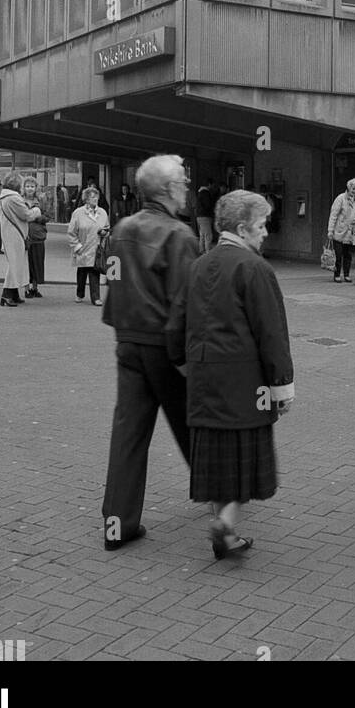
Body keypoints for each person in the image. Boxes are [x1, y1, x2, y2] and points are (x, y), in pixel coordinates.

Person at [166, 190, 294, 559]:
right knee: (244, 458)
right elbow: (271, 332)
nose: (265, 232)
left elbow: (175, 326)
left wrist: (184, 364)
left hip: (204, 379)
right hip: (246, 382)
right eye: (261, 225)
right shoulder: (254, 268)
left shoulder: (198, 265)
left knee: (218, 454)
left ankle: (223, 518)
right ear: (242, 227)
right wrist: (281, 386)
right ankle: (224, 523)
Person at [100, 155, 197, 551]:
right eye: (183, 183)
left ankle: (117, 523)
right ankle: (223, 495)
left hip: (129, 342)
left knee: (128, 432)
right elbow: (185, 303)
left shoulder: (122, 229)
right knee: (193, 424)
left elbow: (113, 281)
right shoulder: (180, 236)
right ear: (169, 190)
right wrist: (187, 357)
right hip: (166, 347)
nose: (188, 188)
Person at [0, 173, 40, 308]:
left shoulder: (3, 197)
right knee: (14, 265)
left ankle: (14, 294)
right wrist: (37, 210)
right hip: (15, 235)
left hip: (10, 233)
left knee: (17, 265)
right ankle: (7, 295)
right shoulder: (13, 198)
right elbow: (26, 215)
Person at [68, 187, 110, 305]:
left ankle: (96, 298)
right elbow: (71, 232)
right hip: (82, 247)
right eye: (92, 197)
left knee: (94, 272)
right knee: (82, 273)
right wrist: (77, 246)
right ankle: (79, 293)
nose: (95, 199)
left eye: (96, 196)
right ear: (86, 199)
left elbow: (107, 227)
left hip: (96, 249)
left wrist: (104, 232)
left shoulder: (102, 212)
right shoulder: (78, 213)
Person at [326, 178, 355, 283]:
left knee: (348, 254)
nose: (354, 191)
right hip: (339, 231)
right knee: (338, 254)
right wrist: (330, 230)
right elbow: (333, 215)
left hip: (351, 232)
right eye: (353, 188)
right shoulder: (340, 198)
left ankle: (346, 274)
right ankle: (336, 274)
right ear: (348, 188)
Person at [21, 176, 48, 295]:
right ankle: (26, 289)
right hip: (24, 235)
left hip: (38, 235)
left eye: (32, 186)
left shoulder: (41, 200)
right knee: (25, 264)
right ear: (23, 188)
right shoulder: (19, 200)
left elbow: (48, 215)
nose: (30, 189)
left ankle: (35, 287)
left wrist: (39, 218)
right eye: (27, 186)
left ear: (36, 188)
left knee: (37, 263)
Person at [195, 178, 216, 253]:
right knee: (208, 235)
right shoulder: (205, 193)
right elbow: (208, 205)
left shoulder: (200, 192)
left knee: (202, 235)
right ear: (209, 184)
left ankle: (201, 250)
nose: (214, 186)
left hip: (199, 215)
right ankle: (208, 252)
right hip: (205, 216)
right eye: (213, 184)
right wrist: (213, 210)